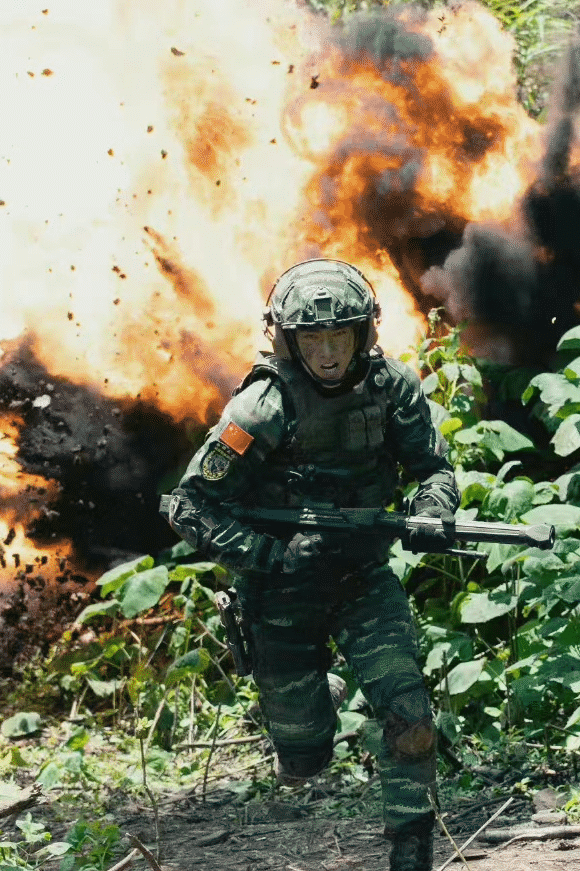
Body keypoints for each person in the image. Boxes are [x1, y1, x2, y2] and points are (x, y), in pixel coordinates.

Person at [159, 258, 458, 871]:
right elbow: (190, 505)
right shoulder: (262, 407)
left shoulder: (391, 387)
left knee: (411, 716)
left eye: (339, 335)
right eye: (312, 338)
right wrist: (272, 554)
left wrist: (431, 510)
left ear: (363, 333)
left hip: (361, 579)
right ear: (288, 341)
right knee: (304, 758)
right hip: (281, 590)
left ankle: (411, 851)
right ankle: (322, 698)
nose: (327, 352)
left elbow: (434, 469)